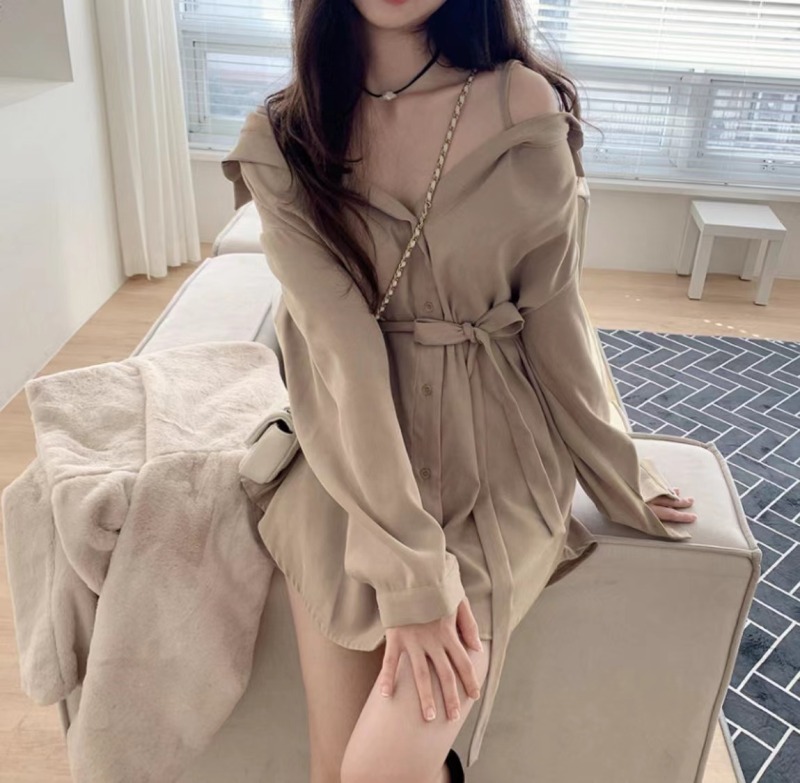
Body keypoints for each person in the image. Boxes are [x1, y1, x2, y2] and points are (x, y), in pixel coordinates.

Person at [221, 1, 698, 781]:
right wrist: (412, 574)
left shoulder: (520, 105)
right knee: (332, 766)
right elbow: (340, 350)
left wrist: (620, 469)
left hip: (495, 458)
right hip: (351, 461)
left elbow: (554, 314)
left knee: (375, 771)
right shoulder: (286, 135)